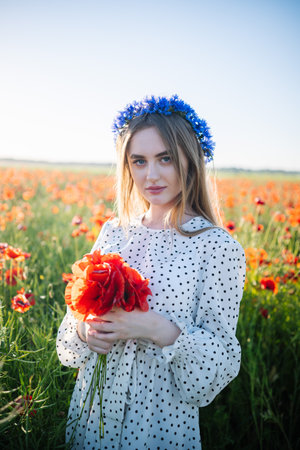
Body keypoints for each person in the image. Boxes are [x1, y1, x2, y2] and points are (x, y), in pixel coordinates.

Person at [56, 94, 246, 450]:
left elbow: (219, 362)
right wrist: (85, 332)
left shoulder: (216, 247)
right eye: (138, 161)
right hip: (92, 412)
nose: (151, 175)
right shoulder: (114, 231)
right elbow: (72, 326)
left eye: (165, 159)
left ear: (190, 160)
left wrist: (157, 328)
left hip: (159, 421)